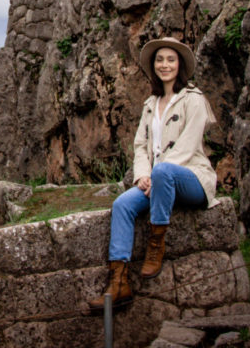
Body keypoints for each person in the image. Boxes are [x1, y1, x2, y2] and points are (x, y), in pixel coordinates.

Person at [87, 36, 218, 313]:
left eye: (171, 59)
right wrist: (143, 176)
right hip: (157, 181)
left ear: (179, 64)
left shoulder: (193, 100)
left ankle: (156, 244)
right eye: (160, 59)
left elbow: (188, 145)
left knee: (164, 170)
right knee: (122, 204)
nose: (165, 64)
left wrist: (158, 174)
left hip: (191, 179)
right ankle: (119, 282)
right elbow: (141, 145)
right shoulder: (151, 104)